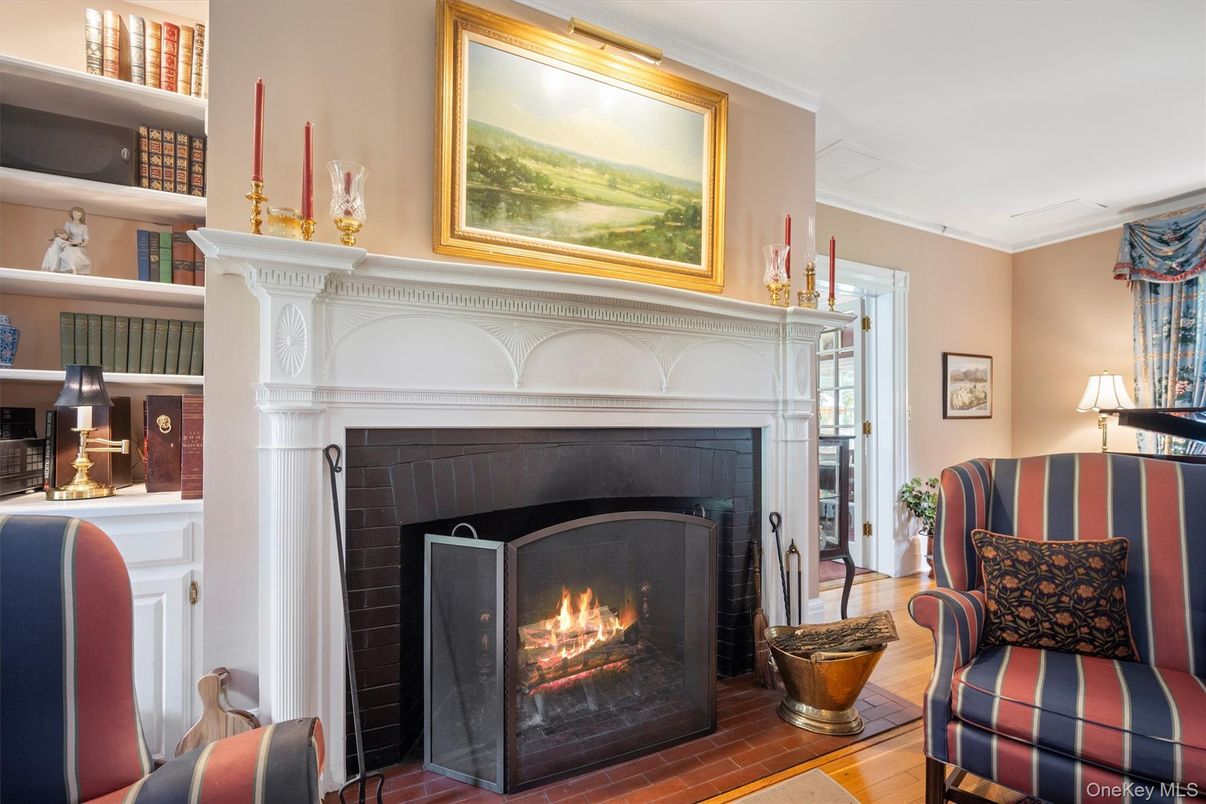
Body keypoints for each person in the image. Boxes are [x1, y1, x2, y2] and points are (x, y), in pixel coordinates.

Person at [59, 206, 92, 275]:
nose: (76, 216)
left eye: (79, 215)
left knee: (76, 252)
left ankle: (75, 269)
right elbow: (66, 236)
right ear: (72, 214)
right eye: (75, 214)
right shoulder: (68, 224)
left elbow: (86, 239)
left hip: (79, 245)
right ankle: (71, 268)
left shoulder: (83, 226)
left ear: (81, 216)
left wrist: (79, 244)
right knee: (69, 250)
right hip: (70, 243)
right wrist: (70, 242)